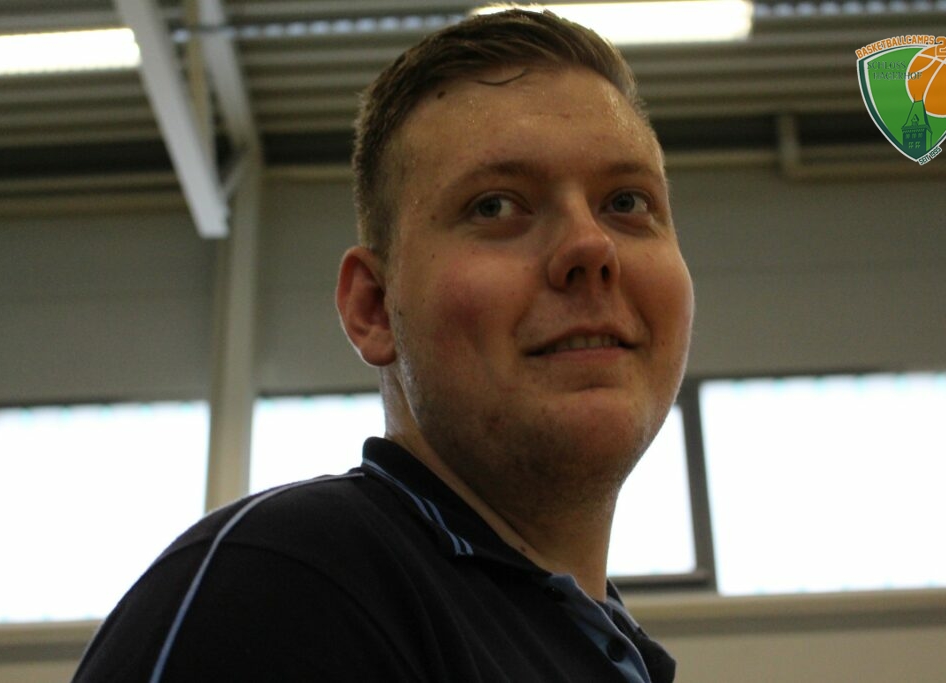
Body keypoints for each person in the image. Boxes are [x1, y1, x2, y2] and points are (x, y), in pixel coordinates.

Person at [72, 8, 693, 682]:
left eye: (627, 203)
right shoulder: (283, 586)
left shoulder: (610, 654)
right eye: (495, 205)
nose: (592, 247)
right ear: (373, 308)